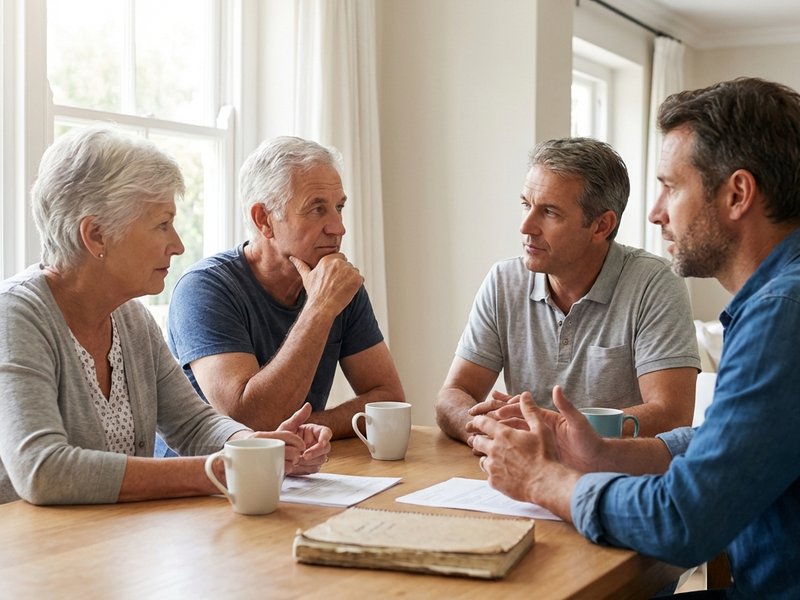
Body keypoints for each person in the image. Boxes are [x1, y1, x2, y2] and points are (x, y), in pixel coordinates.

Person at [469, 77, 800, 598]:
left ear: (737, 193)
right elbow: (730, 443)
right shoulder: (779, 301)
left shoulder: (782, 314)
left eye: (671, 185)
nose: (655, 212)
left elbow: (683, 522)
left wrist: (541, 480)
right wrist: (607, 454)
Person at [0, 128, 331, 505]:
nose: (178, 245)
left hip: (111, 546)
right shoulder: (15, 316)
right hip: (29, 555)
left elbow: (193, 423)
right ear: (95, 235)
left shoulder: (132, 320)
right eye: (162, 224)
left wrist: (252, 446)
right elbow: (43, 470)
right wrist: (216, 470)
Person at [435, 137, 699, 443]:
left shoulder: (654, 284)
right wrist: (486, 431)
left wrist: (551, 430)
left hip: (615, 481)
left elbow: (671, 416)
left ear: (601, 226)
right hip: (521, 473)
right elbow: (452, 395)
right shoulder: (503, 281)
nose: (526, 226)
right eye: (526, 205)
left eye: (549, 212)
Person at [165, 136, 404, 450]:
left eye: (338, 207)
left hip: (294, 472)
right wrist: (320, 307)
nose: (338, 227)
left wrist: (307, 428)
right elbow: (248, 421)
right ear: (264, 220)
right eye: (317, 209)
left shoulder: (335, 284)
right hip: (206, 483)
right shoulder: (204, 289)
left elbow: (388, 400)